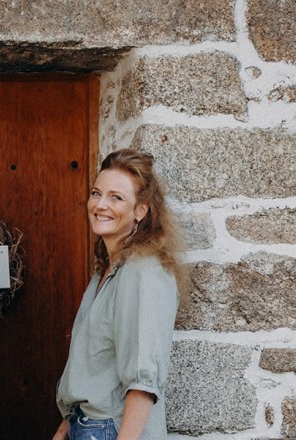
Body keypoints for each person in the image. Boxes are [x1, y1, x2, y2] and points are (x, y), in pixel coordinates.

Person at [52, 149, 187, 440]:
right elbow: (96, 367)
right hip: (87, 426)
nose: (100, 204)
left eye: (116, 197)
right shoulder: (109, 270)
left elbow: (142, 382)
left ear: (141, 210)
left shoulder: (143, 272)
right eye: (96, 192)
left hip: (110, 430)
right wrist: (67, 426)